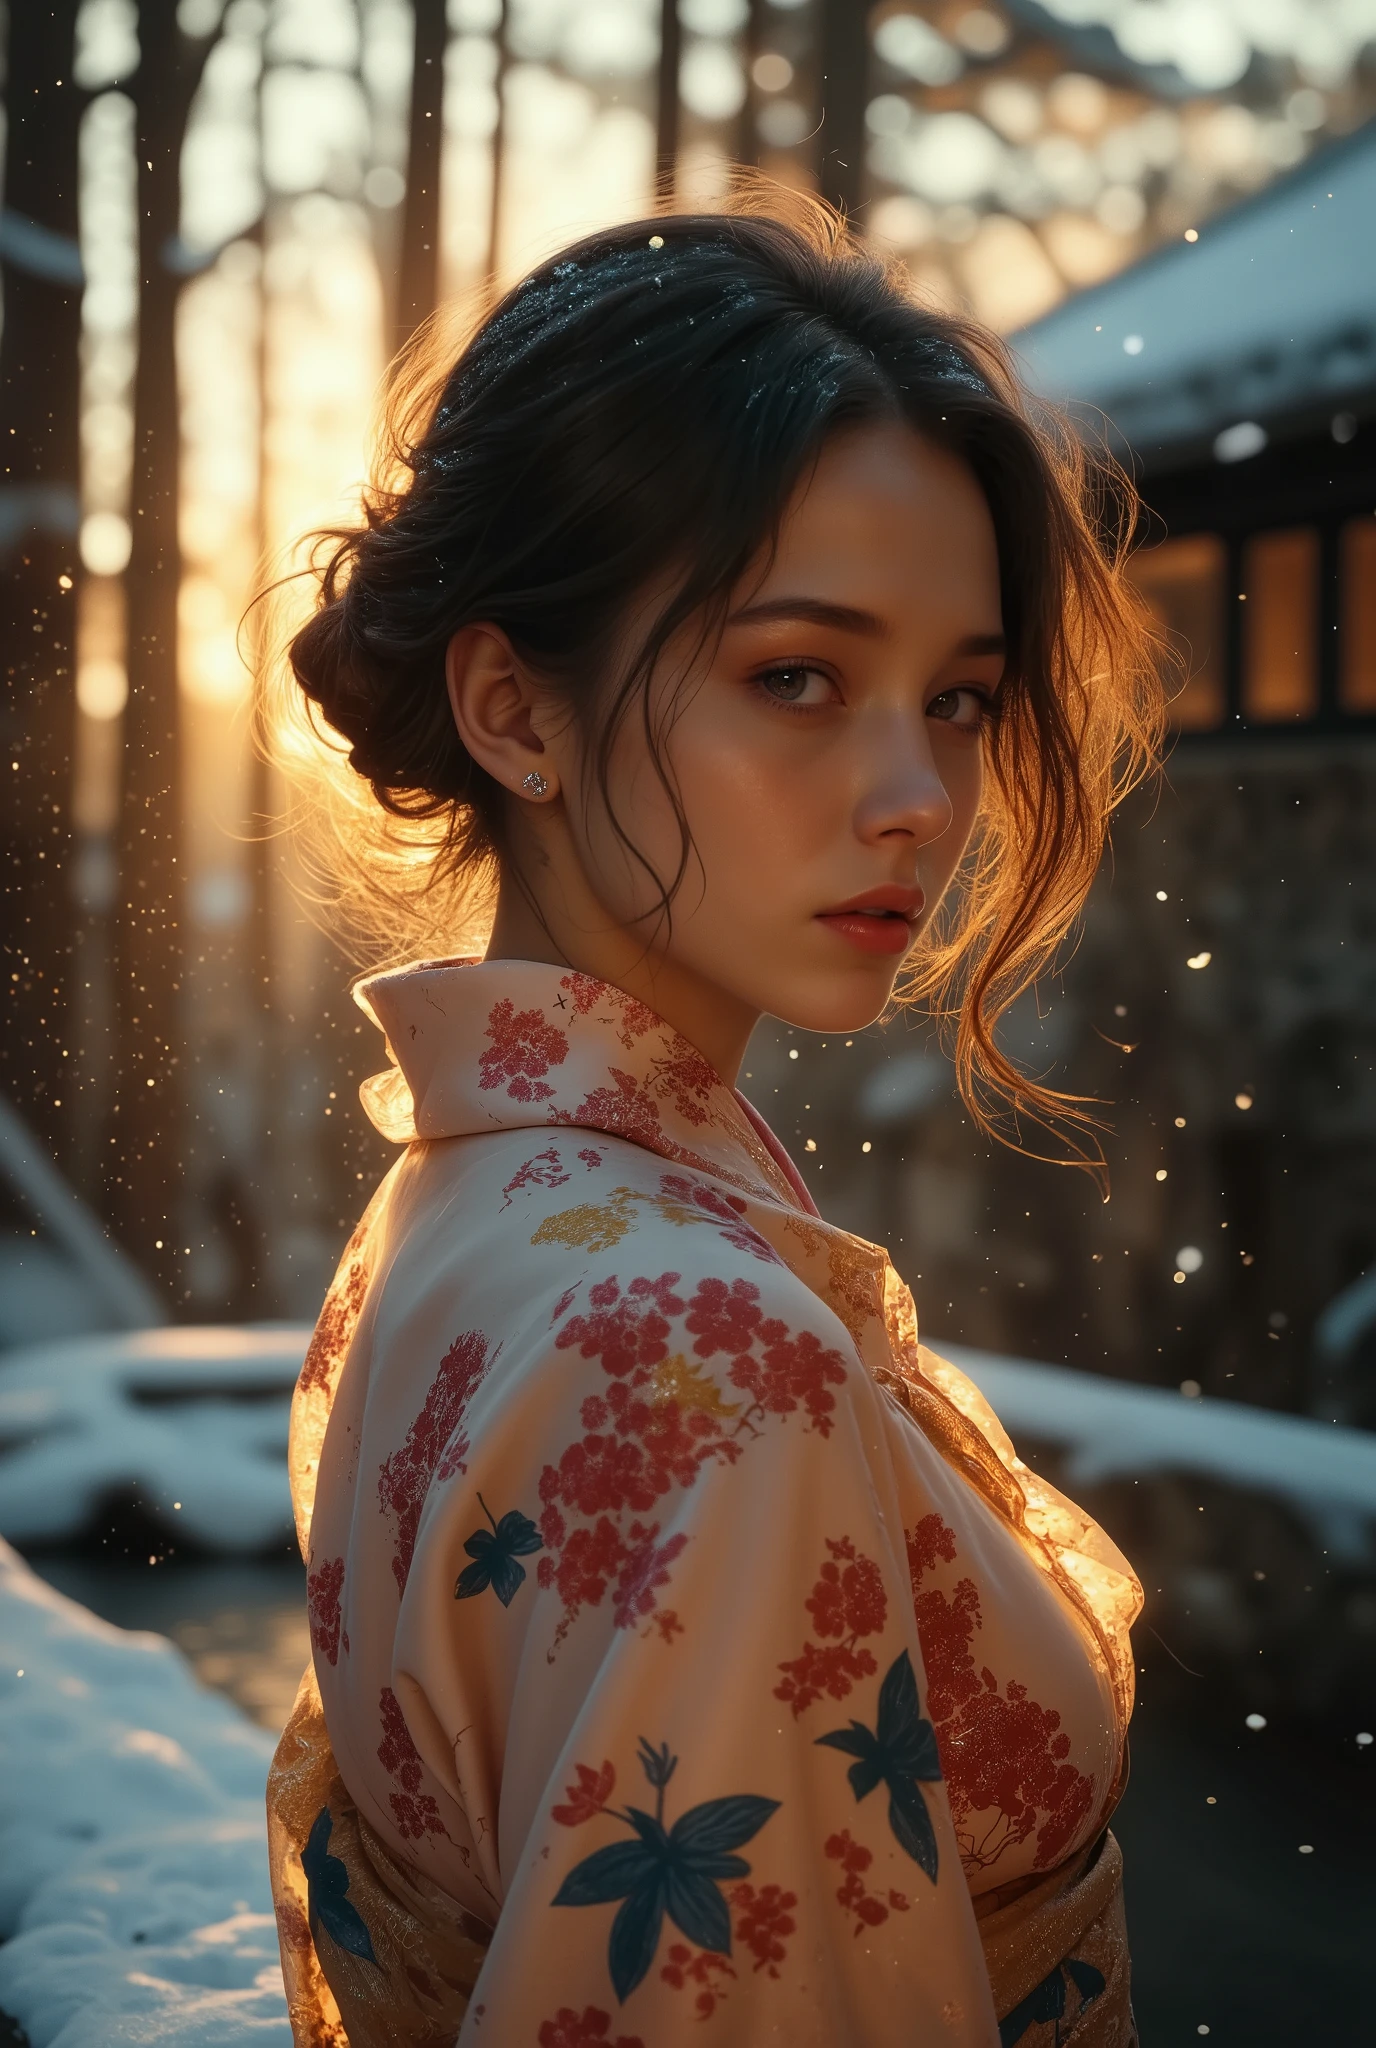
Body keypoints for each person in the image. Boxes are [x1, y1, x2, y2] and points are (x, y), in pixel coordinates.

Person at [266, 191, 1160, 2048]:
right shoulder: (706, 1352)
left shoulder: (481, 1210)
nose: (920, 794)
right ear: (516, 705)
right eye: (799, 678)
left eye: (965, 699)